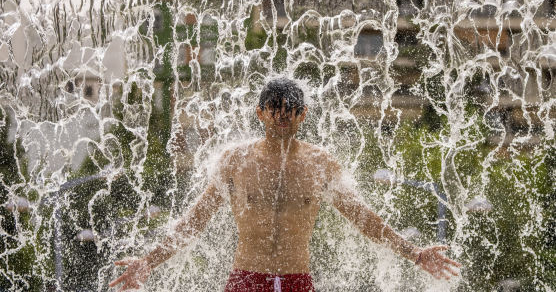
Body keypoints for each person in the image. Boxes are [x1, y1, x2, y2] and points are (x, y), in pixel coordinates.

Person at [109, 78, 461, 291]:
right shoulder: (235, 161)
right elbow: (194, 221)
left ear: (302, 114)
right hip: (246, 280)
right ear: (259, 112)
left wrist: (413, 254)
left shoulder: (320, 164)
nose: (282, 115)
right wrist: (148, 262)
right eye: (274, 109)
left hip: (297, 282)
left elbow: (364, 218)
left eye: (291, 109)